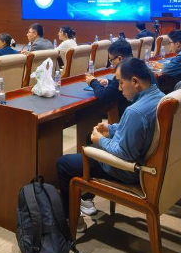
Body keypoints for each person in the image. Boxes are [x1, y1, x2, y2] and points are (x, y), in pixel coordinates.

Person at [56, 57, 165, 222]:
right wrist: (111, 129)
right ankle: (86, 195)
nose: (119, 89)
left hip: (129, 170)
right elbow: (136, 130)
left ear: (135, 82)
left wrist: (101, 140)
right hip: (148, 162)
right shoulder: (159, 96)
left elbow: (124, 154)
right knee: (89, 139)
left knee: (64, 164)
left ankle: (71, 220)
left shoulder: (135, 112)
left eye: (121, 83)